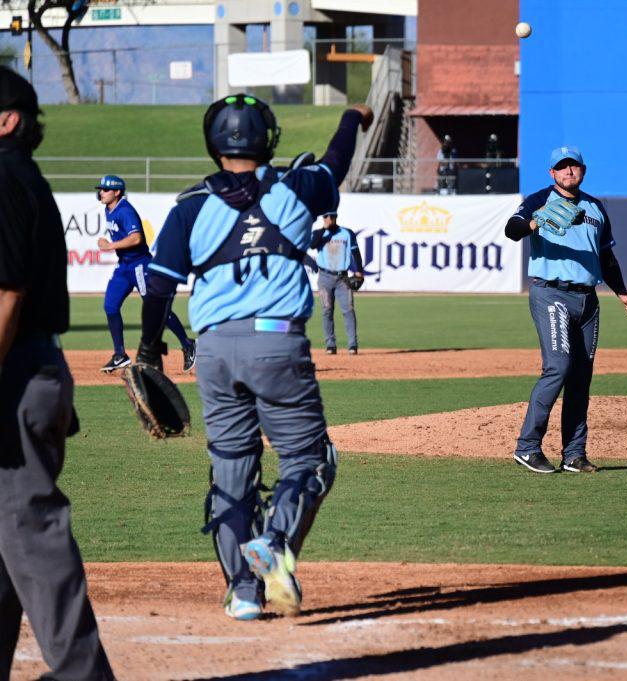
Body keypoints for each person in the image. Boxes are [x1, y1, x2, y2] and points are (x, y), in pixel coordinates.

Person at [137, 94, 372, 621]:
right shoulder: (299, 186)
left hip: (215, 349)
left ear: (211, 142)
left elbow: (158, 288)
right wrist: (352, 117)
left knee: (231, 473)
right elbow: (337, 161)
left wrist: (149, 351)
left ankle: (244, 591)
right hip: (277, 344)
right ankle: (276, 541)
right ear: (268, 138)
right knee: (310, 459)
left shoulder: (189, 206)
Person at [0, 65, 116, 680]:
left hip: (12, 373)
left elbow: (8, 295)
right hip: (27, 368)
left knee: (33, 535)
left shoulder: (2, 176)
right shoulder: (20, 177)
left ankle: (83, 676)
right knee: (4, 547)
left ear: (6, 120)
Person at [504, 145, 627, 474]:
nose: (568, 172)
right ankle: (527, 447)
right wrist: (534, 224)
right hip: (551, 293)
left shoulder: (595, 208)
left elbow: (605, 257)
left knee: (581, 377)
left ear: (583, 170)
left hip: (587, 300)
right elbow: (511, 230)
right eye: (561, 167)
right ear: (552, 173)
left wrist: (621, 292)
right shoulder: (539, 200)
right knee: (558, 368)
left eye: (573, 166)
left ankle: (574, 454)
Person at [95, 174, 195, 373]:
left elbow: (136, 239)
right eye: (100, 189)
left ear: (117, 192)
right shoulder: (109, 209)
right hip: (124, 265)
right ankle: (120, 355)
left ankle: (187, 344)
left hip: (139, 265)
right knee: (110, 306)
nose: (101, 192)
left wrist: (110, 246)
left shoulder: (125, 211)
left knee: (156, 309)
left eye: (106, 190)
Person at [310, 210, 364, 355]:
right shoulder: (318, 233)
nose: (329, 219)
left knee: (348, 310)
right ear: (323, 218)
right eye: (326, 216)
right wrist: (323, 229)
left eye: (332, 216)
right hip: (325, 277)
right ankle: (330, 345)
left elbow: (355, 252)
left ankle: (352, 345)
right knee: (327, 311)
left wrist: (359, 271)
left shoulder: (347, 233)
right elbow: (313, 245)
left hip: (342, 278)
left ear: (336, 217)